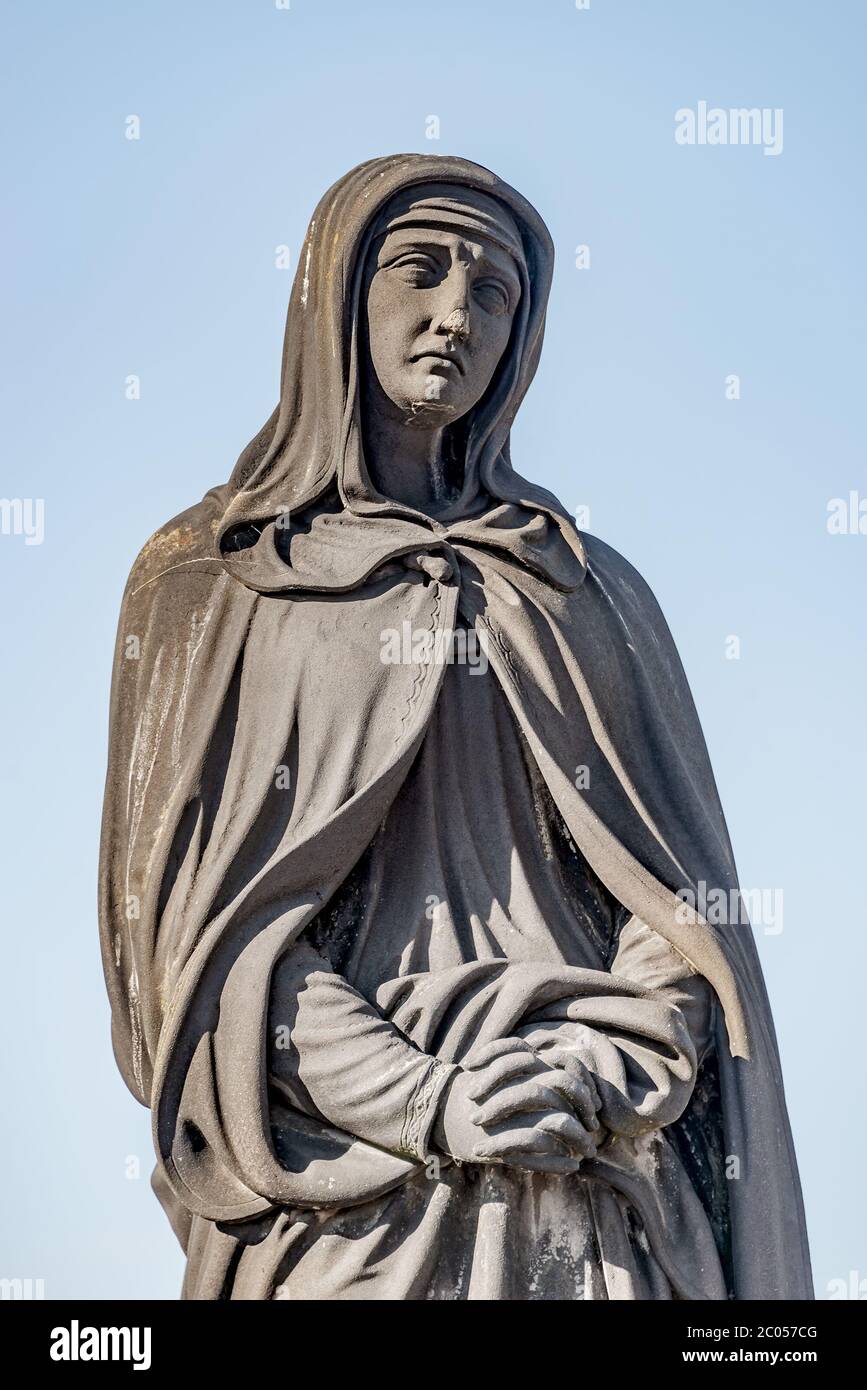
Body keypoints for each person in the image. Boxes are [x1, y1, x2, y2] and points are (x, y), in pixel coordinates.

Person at [99, 154, 811, 1300]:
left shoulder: (587, 591)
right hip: (341, 1188)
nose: (454, 316)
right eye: (418, 271)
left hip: (590, 1174)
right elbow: (198, 949)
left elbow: (680, 914)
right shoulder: (215, 580)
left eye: (494, 294)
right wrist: (424, 1097)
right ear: (336, 295)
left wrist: (607, 1065)